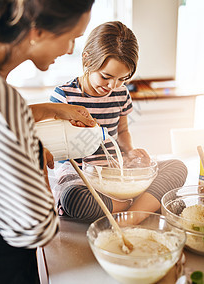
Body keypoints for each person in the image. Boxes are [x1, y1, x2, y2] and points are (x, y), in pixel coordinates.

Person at [0, 0, 95, 283]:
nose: (69, 50)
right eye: (71, 38)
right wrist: (35, 159)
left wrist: (47, 111)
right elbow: (35, 227)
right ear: (37, 30)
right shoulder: (5, 100)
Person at [50, 21, 188, 221]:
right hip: (80, 173)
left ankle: (127, 215)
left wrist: (130, 151)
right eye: (106, 76)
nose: (112, 86)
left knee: (177, 167)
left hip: (116, 169)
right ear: (87, 59)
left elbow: (122, 132)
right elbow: (58, 147)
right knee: (73, 198)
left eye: (122, 79)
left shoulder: (121, 94)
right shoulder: (64, 96)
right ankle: (138, 204)